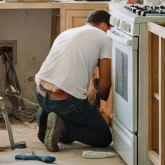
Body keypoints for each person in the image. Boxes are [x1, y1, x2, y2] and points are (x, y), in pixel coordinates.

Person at [34, 8, 113, 152]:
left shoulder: (67, 33)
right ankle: (62, 125)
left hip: (40, 93)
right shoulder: (104, 37)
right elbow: (104, 88)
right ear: (104, 25)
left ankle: (47, 118)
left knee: (72, 128)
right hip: (65, 101)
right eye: (110, 28)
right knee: (103, 137)